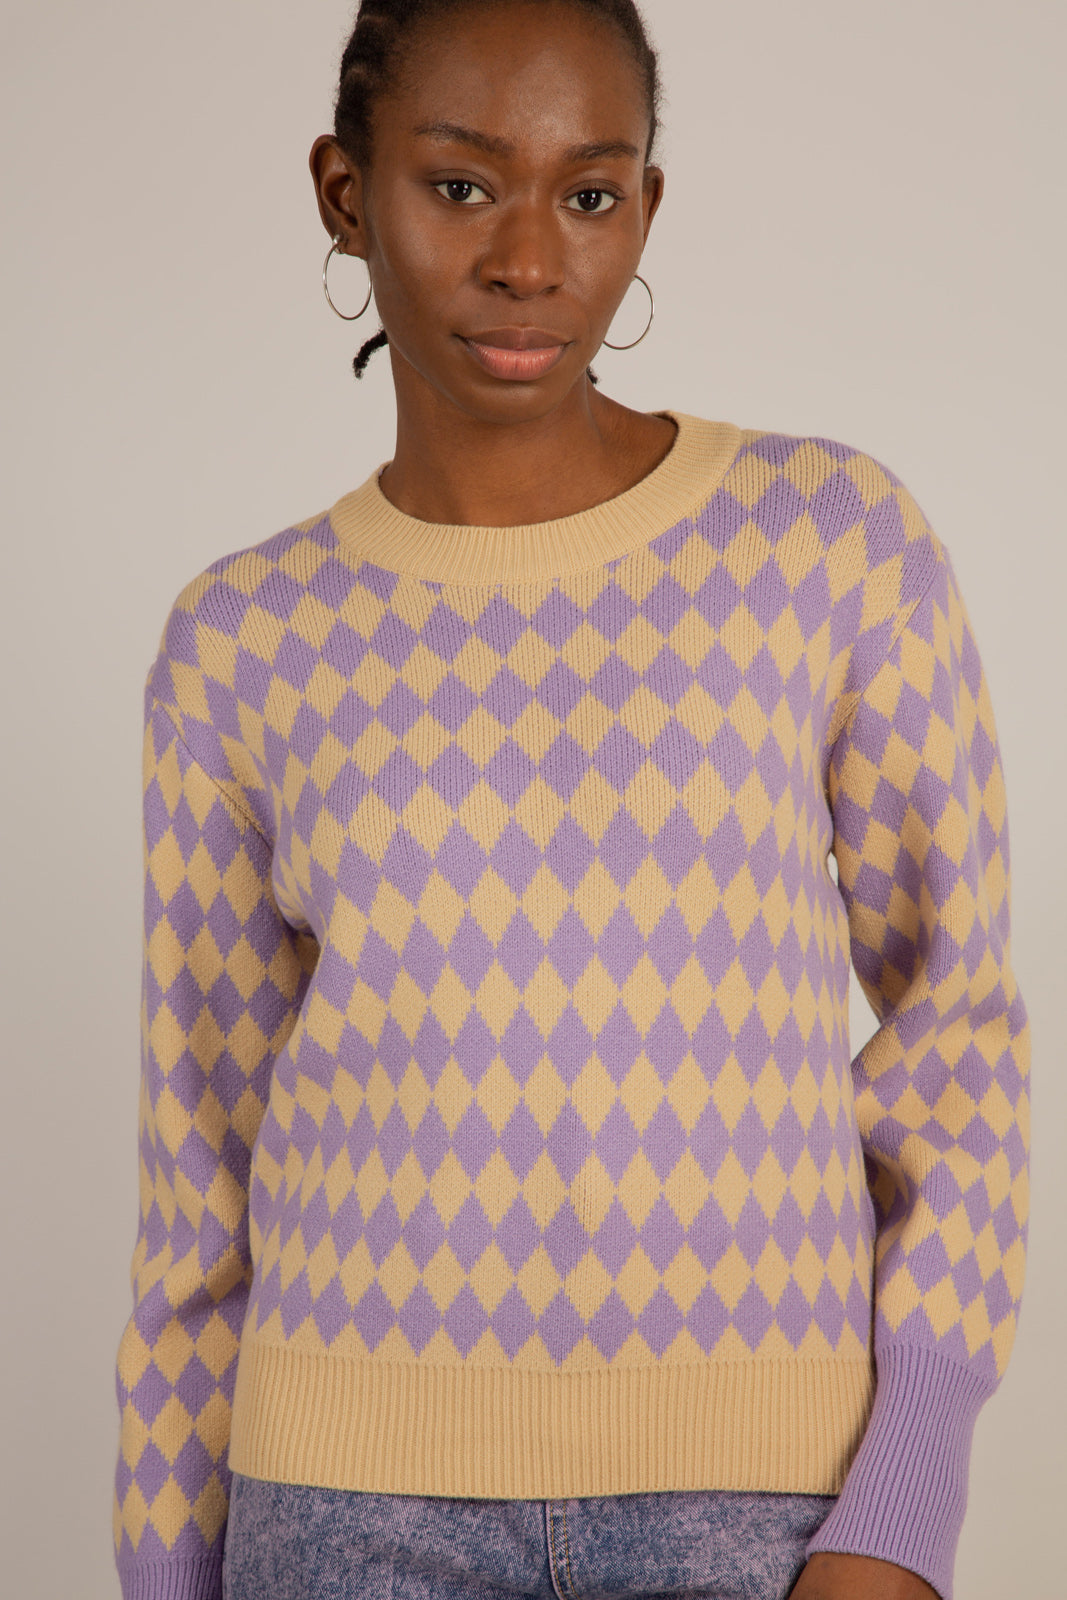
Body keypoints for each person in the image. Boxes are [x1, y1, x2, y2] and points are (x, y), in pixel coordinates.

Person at [111, 3, 1030, 1597]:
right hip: (339, 1518)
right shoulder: (241, 640)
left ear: (646, 209)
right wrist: (159, 1564)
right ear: (346, 193)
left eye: (589, 194)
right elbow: (202, 1168)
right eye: (461, 186)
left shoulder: (829, 543)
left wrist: (908, 1497)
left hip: (765, 1512)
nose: (531, 259)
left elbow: (959, 1039)